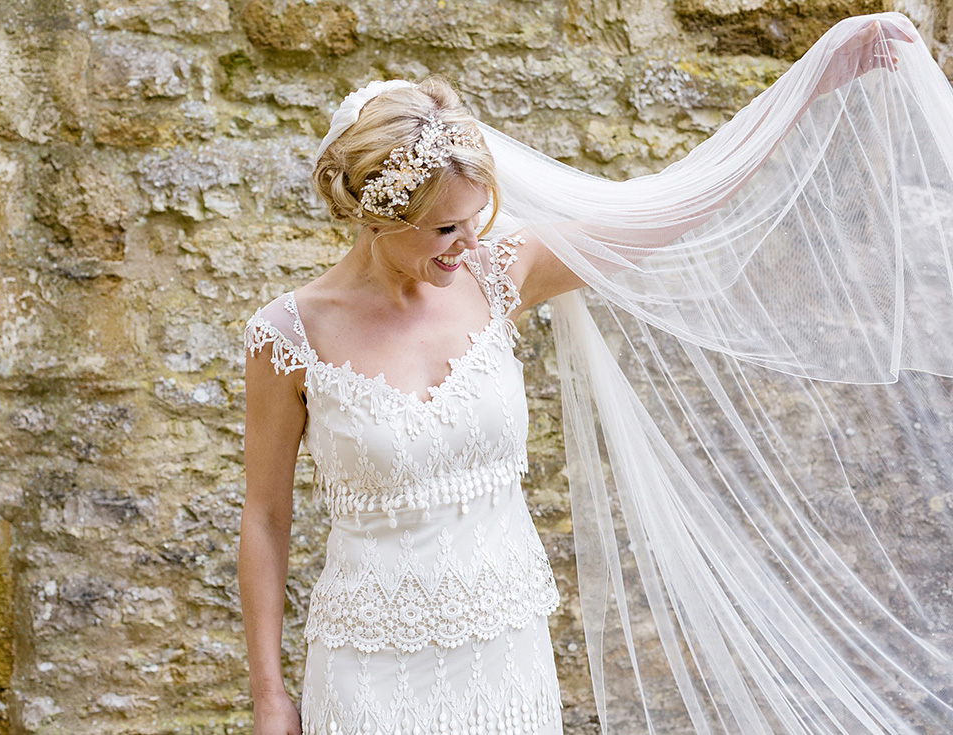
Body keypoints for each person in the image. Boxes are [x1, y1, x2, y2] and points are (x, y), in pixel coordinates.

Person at [240, 12, 953, 735]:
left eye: (475, 217)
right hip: (368, 668)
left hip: (503, 656)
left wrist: (815, 84)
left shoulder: (500, 276)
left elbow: (680, 209)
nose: (468, 242)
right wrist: (271, 695)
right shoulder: (288, 334)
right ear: (377, 215)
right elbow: (266, 518)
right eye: (444, 228)